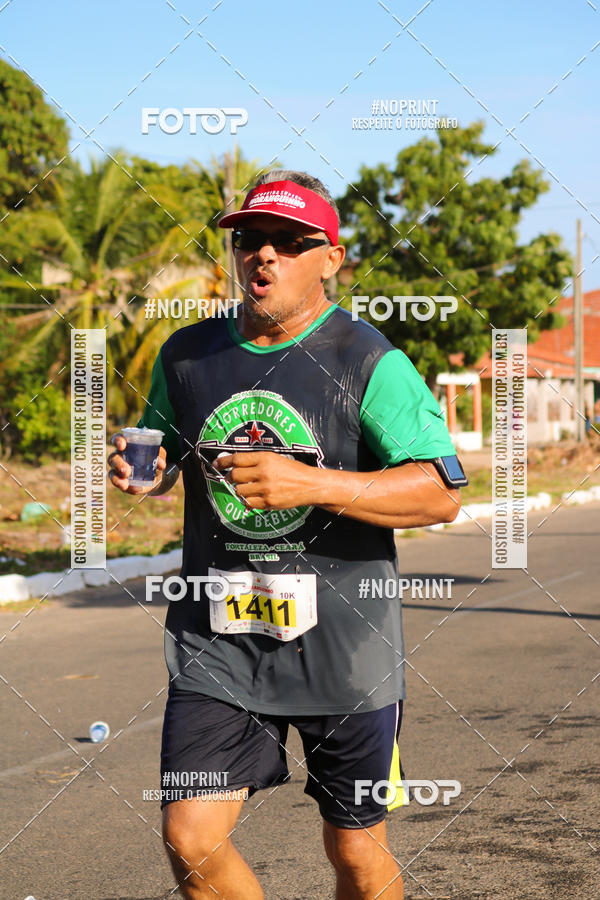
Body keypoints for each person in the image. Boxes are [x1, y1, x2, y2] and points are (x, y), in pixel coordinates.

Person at [108, 170, 462, 900]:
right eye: (249, 240)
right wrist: (150, 475)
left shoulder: (368, 360)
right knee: (191, 836)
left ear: (331, 257)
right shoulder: (187, 355)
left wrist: (317, 484)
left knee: (357, 855)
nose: (263, 256)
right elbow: (171, 457)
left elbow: (440, 490)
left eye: (289, 242)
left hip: (347, 650)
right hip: (220, 643)